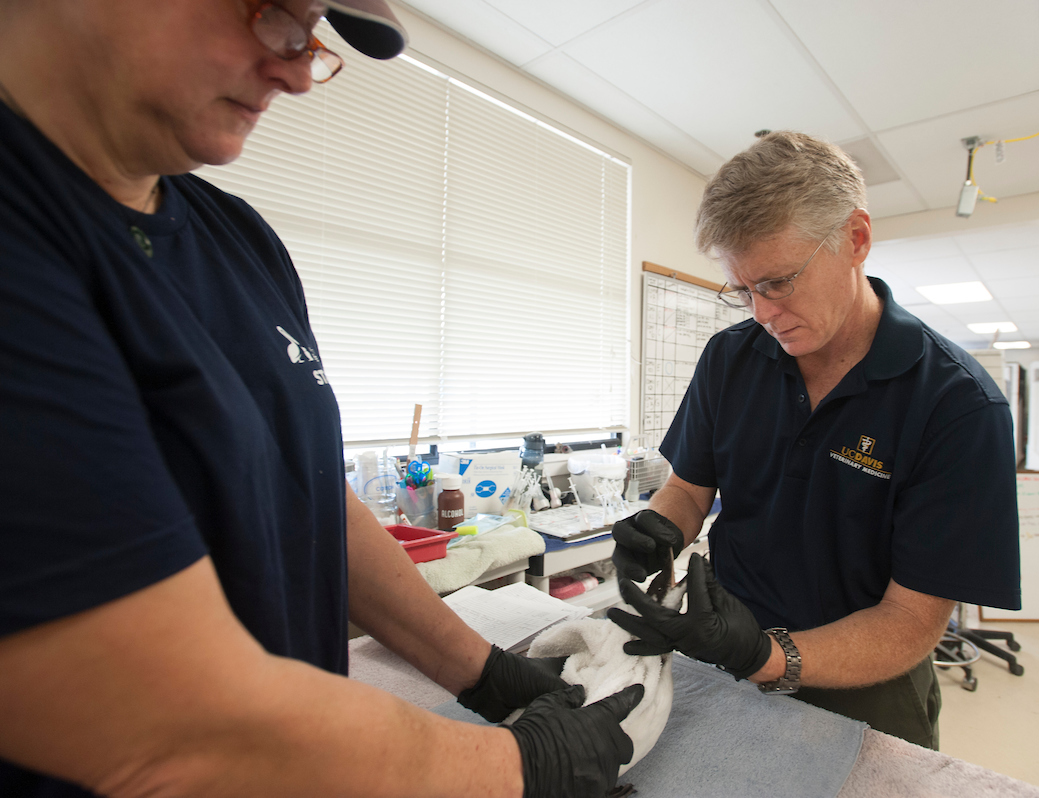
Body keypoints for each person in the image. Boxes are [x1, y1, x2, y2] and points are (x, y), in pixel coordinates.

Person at [0, 2, 641, 796]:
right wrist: (521, 767)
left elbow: (314, 504)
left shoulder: (238, 239)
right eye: (274, 15)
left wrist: (485, 674)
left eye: (311, 36)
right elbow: (165, 730)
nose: (300, 73)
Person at [608, 131, 1020, 749]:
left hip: (867, 682)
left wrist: (766, 656)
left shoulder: (957, 405)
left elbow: (910, 621)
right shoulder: (730, 358)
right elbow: (690, 490)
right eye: (743, 290)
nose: (761, 313)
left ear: (856, 239)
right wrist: (660, 528)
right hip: (722, 645)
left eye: (778, 283)